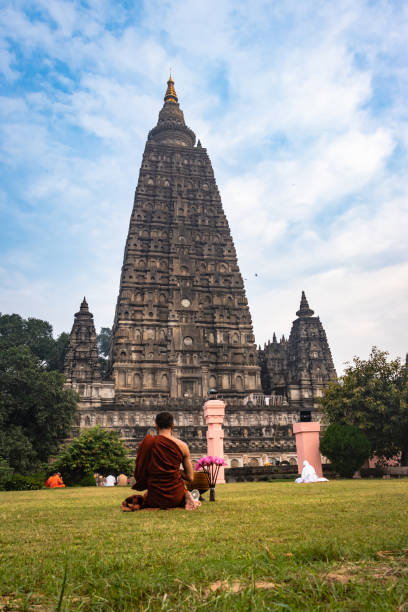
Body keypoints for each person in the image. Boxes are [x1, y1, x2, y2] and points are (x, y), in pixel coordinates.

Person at [122, 411, 200, 511]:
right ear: (172, 425)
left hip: (154, 497)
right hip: (176, 497)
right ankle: (187, 497)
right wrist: (175, 470)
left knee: (145, 497)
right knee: (181, 492)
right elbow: (190, 477)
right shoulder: (183, 446)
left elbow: (139, 472)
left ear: (156, 426)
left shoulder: (148, 443)